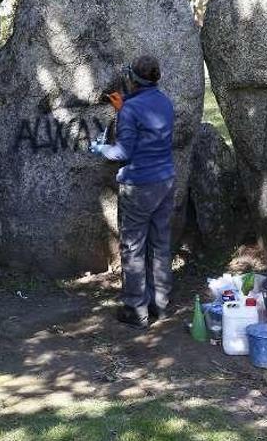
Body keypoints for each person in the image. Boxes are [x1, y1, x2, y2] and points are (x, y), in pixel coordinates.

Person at [91, 55, 175, 329]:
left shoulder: (131, 109)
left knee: (133, 246)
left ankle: (136, 309)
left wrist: (100, 148)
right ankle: (160, 304)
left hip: (139, 185)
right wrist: (123, 110)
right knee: (160, 243)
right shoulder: (163, 101)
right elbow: (147, 130)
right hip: (165, 182)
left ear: (131, 77)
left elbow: (122, 151)